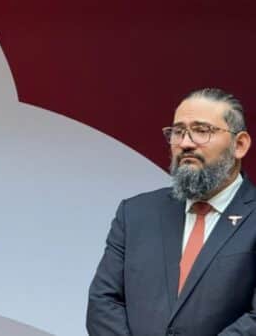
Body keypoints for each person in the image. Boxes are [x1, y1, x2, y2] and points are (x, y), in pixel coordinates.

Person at [87, 88, 255, 335]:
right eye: (178, 132)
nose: (185, 143)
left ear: (239, 145)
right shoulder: (135, 214)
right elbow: (103, 302)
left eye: (201, 130)